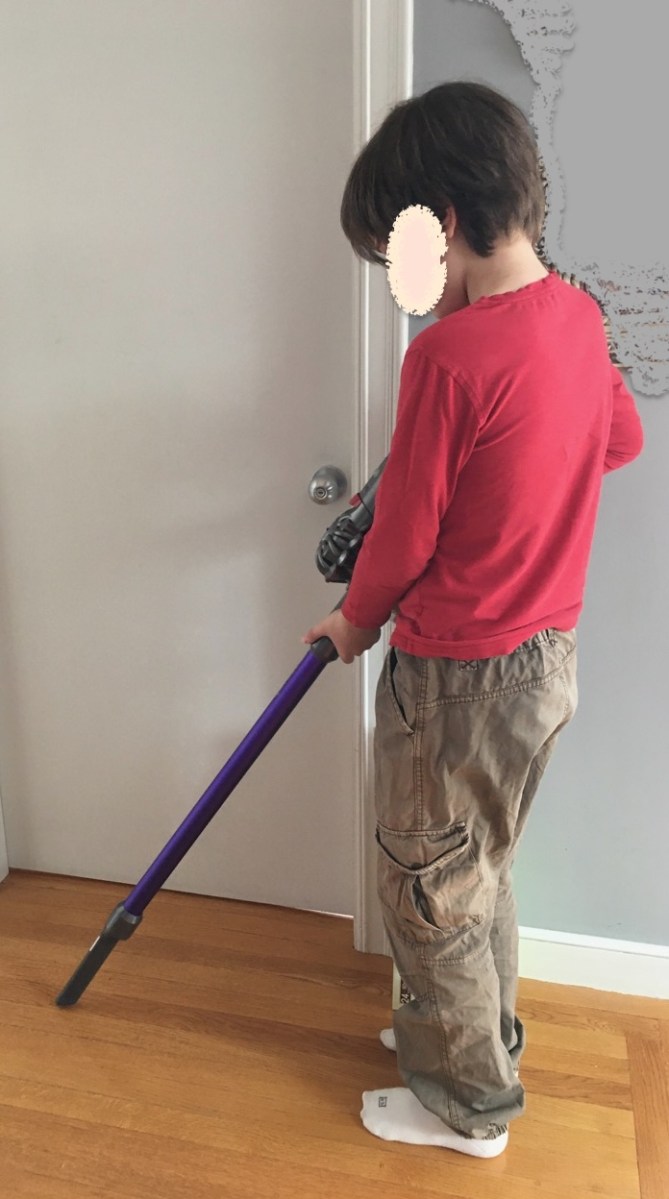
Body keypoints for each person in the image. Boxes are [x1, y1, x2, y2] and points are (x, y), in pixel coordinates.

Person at [303, 81, 644, 1159]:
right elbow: (618, 439)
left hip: (454, 674)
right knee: (475, 868)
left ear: (443, 223)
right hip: (546, 663)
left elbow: (403, 539)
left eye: (400, 255)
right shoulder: (577, 317)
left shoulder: (448, 359)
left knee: (427, 885)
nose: (404, 287)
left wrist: (352, 623)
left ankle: (464, 1102)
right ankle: (475, 1037)